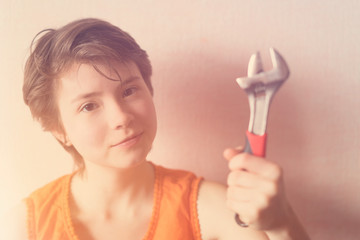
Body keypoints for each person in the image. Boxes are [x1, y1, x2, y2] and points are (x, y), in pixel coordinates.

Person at [1, 18, 309, 239]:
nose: (121, 117)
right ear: (58, 129)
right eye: (89, 105)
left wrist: (281, 224)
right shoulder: (23, 227)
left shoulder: (208, 209)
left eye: (129, 91)